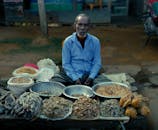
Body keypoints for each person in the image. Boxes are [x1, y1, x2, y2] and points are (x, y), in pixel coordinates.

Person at [51, 13, 110, 86]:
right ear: (74, 25)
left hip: (89, 74)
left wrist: (91, 77)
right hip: (71, 74)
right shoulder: (68, 41)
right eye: (80, 24)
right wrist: (75, 78)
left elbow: (97, 62)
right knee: (53, 83)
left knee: (107, 85)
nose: (82, 28)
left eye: (85, 25)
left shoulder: (95, 41)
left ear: (89, 26)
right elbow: (66, 64)